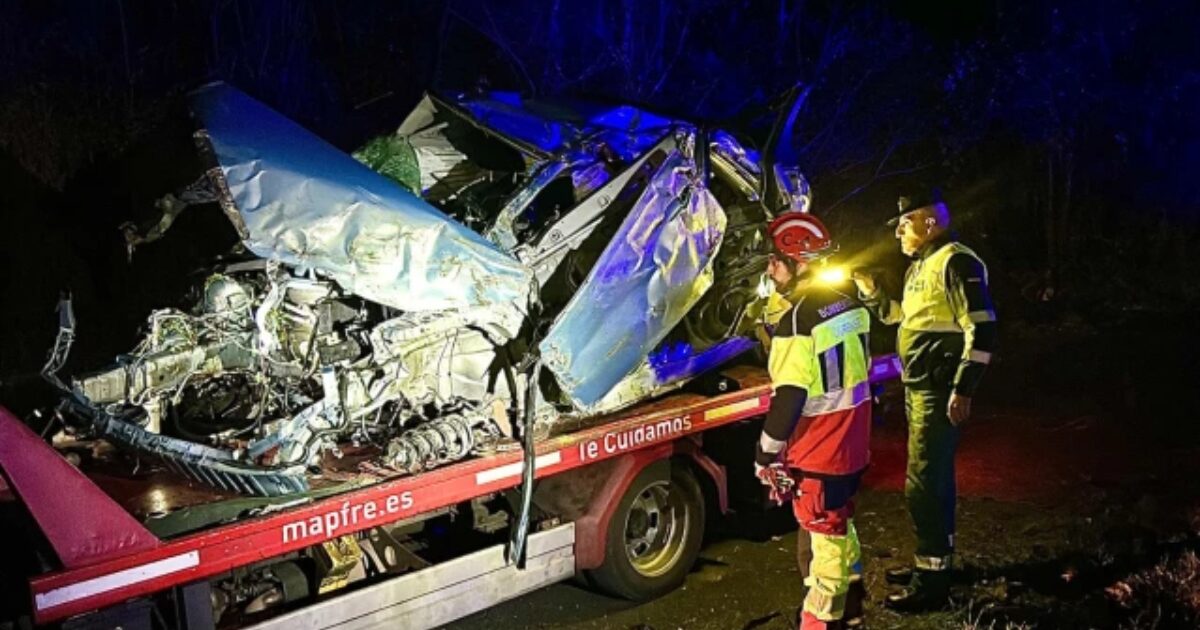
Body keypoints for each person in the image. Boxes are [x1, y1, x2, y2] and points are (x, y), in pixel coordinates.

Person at [852, 191, 998, 611]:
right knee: (927, 482)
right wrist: (874, 293)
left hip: (938, 391)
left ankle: (932, 584)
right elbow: (904, 317)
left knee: (925, 485)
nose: (898, 231)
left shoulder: (957, 261)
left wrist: (963, 388)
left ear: (930, 223)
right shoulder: (922, 266)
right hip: (920, 389)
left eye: (905, 222)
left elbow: (983, 331)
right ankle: (932, 565)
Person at [755, 212, 873, 630]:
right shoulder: (850, 302)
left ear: (799, 261)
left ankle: (822, 623)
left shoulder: (796, 319)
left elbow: (790, 396)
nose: (770, 268)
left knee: (824, 547)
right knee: (841, 526)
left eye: (775, 260)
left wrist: (764, 452)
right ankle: (854, 608)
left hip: (818, 449)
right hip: (853, 443)